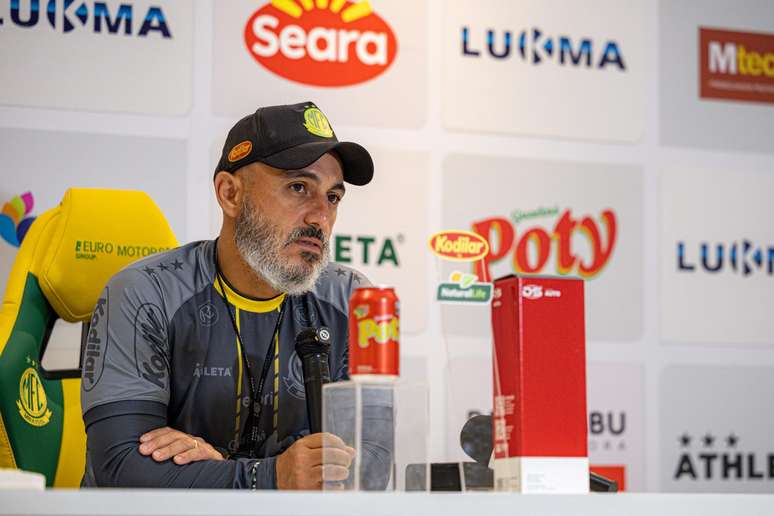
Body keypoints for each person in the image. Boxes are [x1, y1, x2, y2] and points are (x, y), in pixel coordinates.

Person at [80, 101, 390, 489]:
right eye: (298, 188)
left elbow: (373, 465)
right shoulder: (147, 292)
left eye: (333, 197)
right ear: (230, 194)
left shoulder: (353, 299)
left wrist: (222, 470)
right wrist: (273, 475)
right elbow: (121, 466)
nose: (320, 218)